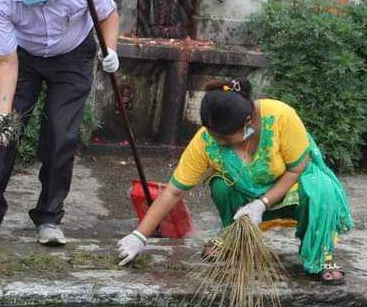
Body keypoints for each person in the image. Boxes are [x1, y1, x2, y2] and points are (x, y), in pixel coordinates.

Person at [117, 79, 353, 284]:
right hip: (245, 196)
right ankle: (234, 237)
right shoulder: (206, 140)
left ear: (248, 123)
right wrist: (140, 235)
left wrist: (262, 203)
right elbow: (173, 192)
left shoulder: (280, 116)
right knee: (221, 185)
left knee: (321, 189)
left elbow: (297, 169)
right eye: (213, 135)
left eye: (224, 137)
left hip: (291, 185)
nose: (218, 142)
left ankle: (321, 257)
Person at [0, 0, 120, 248]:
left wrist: (111, 48)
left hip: (73, 55)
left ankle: (49, 217)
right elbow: (5, 61)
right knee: (4, 131)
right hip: (22, 58)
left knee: (60, 134)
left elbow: (107, 15)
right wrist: (1, 114)